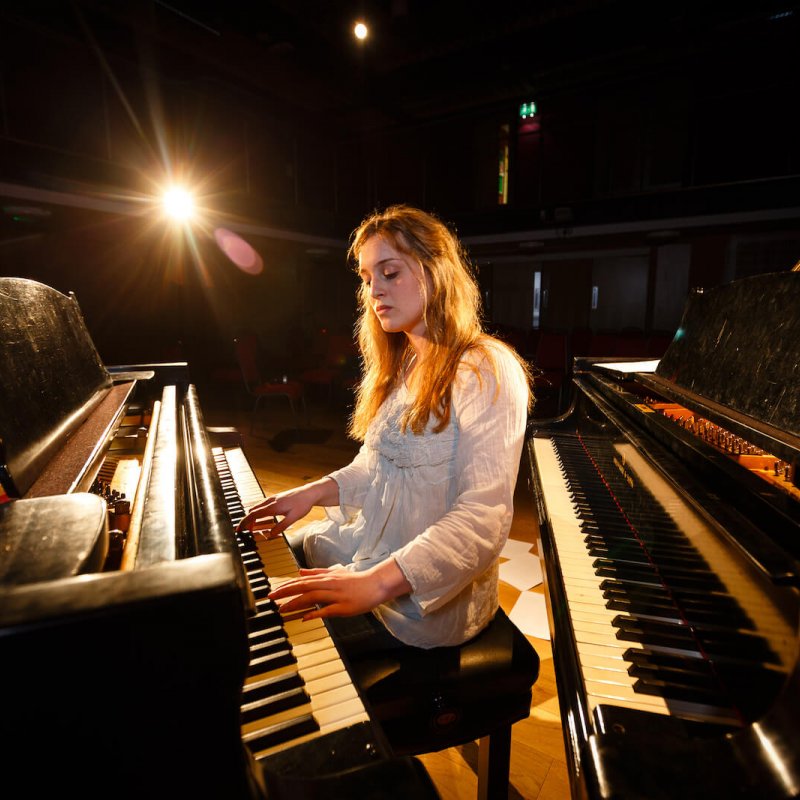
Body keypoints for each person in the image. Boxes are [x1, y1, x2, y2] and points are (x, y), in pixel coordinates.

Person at [237, 204, 532, 651]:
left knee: (275, 633)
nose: (375, 291)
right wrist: (312, 492)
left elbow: (483, 519)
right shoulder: (403, 362)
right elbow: (376, 465)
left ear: (436, 272)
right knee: (250, 571)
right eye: (367, 277)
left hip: (420, 601)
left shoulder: (487, 367)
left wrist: (374, 583)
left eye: (390, 273)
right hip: (368, 550)